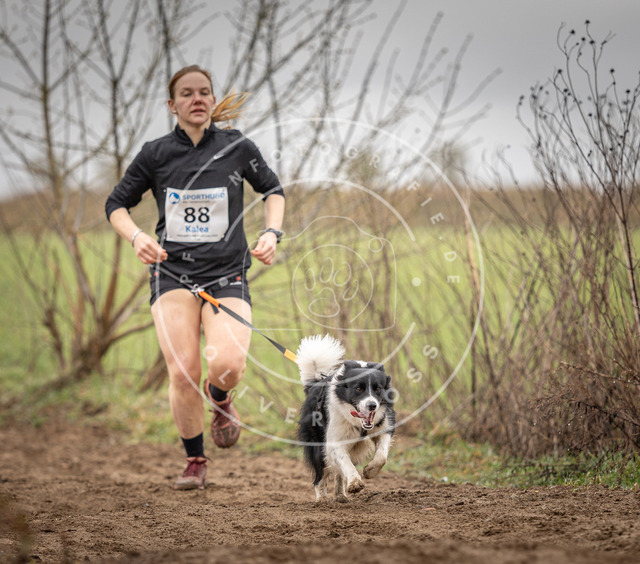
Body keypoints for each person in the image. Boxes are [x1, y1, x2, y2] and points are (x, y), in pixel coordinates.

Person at [105, 65, 285, 490]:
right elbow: (116, 204)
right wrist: (136, 237)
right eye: (186, 93)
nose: (197, 99)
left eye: (204, 91)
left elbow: (273, 190)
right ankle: (195, 461)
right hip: (172, 275)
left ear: (212, 100)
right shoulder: (155, 154)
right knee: (182, 371)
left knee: (228, 365)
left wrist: (271, 233)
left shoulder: (237, 146)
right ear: (173, 105)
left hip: (226, 273)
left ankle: (219, 397)